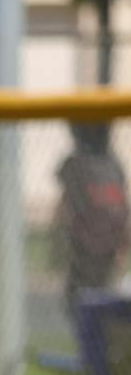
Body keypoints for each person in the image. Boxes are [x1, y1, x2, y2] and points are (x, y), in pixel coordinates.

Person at [56, 122, 129, 317]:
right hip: (83, 251)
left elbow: (122, 207)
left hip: (107, 252)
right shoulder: (75, 164)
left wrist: (122, 241)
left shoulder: (112, 165)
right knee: (81, 303)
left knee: (106, 304)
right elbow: (65, 208)